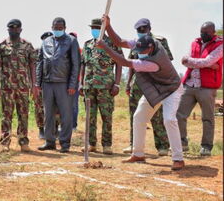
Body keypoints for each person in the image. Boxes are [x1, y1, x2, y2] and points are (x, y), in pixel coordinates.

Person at [97, 15, 185, 171]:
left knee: (169, 119)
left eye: (142, 51)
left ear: (150, 48)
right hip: (156, 87)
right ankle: (138, 153)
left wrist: (105, 47)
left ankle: (178, 159)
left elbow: (124, 62)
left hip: (171, 89)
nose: (139, 53)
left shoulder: (153, 61)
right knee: (139, 117)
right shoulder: (145, 43)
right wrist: (108, 26)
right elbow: (120, 42)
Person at [124, 18, 171, 156]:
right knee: (134, 114)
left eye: (143, 29)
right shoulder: (136, 42)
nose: (141, 32)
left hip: (154, 83)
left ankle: (162, 146)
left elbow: (166, 62)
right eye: (138, 30)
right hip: (137, 83)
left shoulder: (160, 41)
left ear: (149, 28)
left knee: (156, 115)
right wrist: (128, 84)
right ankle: (134, 145)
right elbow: (132, 62)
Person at [35, 17, 80, 153]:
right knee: (48, 114)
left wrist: (72, 84)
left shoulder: (71, 41)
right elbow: (40, 62)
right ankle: (50, 142)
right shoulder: (46, 41)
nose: (57, 30)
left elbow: (75, 65)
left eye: (60, 28)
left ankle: (65, 144)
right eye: (55, 27)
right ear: (52, 26)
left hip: (64, 84)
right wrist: (38, 82)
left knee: (66, 115)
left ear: (65, 28)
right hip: (47, 83)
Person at [177, 21, 222, 156]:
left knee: (207, 118)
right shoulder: (194, 42)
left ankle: (206, 147)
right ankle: (182, 143)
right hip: (189, 85)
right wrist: (207, 64)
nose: (203, 35)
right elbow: (184, 59)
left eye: (206, 33)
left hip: (207, 87)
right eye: (201, 32)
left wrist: (196, 62)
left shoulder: (220, 44)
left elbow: (208, 61)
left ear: (213, 32)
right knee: (179, 115)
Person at [0, 19, 37, 152]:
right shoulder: (2, 46)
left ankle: (23, 141)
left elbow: (32, 65)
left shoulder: (27, 46)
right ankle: (5, 142)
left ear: (20, 30)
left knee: (23, 114)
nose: (14, 30)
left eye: (16, 28)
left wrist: (34, 85)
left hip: (23, 87)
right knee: (7, 115)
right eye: (11, 28)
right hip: (7, 87)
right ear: (8, 30)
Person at [79, 18, 122, 155]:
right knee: (90, 116)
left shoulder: (112, 44)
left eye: (97, 28)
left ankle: (107, 145)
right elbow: (83, 64)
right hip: (89, 86)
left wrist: (117, 83)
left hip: (106, 86)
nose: (94, 30)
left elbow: (119, 63)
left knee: (106, 116)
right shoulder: (88, 45)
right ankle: (92, 144)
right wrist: (81, 83)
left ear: (103, 28)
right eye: (93, 28)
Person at [33, 31, 53, 139]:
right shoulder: (36, 52)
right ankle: (41, 129)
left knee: (55, 107)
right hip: (39, 85)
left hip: (53, 84)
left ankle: (53, 129)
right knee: (39, 107)